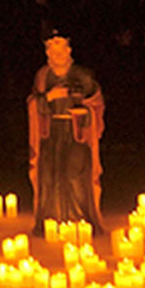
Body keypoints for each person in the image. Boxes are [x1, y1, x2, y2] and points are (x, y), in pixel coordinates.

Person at [26, 29, 104, 235]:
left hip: (75, 133)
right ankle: (52, 220)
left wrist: (83, 111)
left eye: (60, 49)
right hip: (51, 134)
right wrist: (48, 97)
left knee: (74, 175)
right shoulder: (43, 75)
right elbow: (34, 102)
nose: (56, 54)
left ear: (69, 50)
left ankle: (80, 219)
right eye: (51, 50)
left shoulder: (82, 74)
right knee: (50, 176)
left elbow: (95, 102)